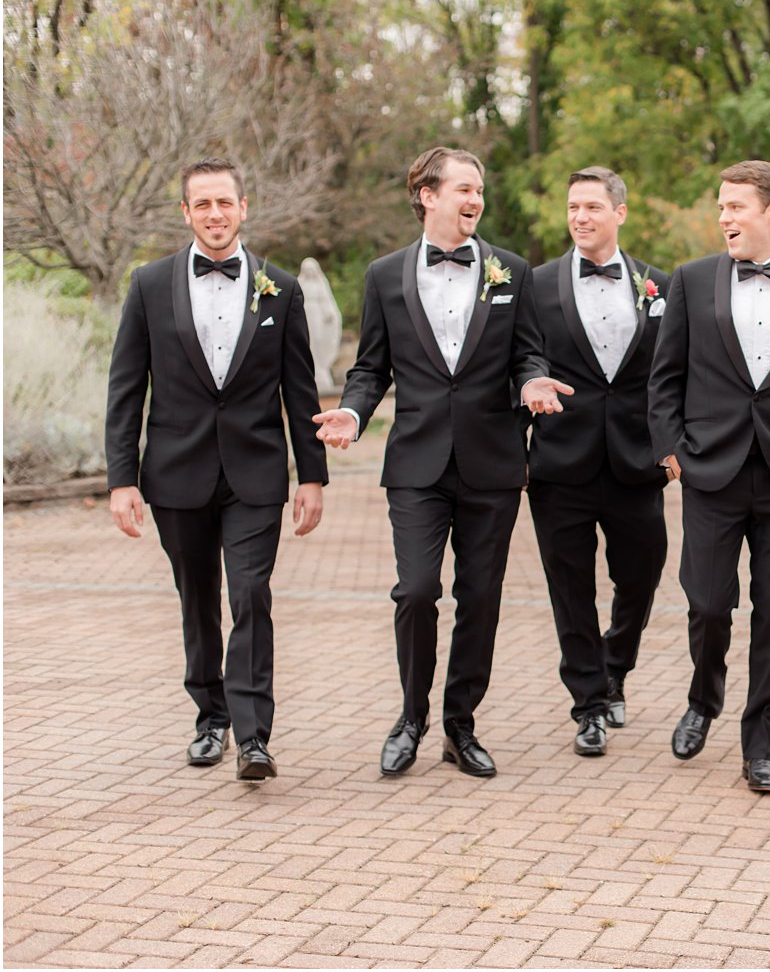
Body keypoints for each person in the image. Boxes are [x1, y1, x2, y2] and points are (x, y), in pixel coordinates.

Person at [312, 147, 572, 778]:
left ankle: (461, 725)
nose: (475, 199)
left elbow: (527, 356)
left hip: (494, 462)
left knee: (480, 597)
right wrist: (353, 410)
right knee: (417, 591)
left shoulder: (512, 271)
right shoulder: (384, 274)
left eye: (479, 189)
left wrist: (533, 384)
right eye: (463, 188)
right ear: (427, 195)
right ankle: (411, 716)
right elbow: (372, 366)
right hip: (417, 465)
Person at [106, 156, 327, 782]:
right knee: (197, 598)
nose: (214, 214)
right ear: (186, 213)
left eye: (223, 202)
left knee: (251, 594)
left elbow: (300, 392)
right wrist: (122, 479)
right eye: (201, 204)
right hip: (176, 473)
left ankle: (255, 737)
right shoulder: (149, 284)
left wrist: (311, 476)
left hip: (256, 473)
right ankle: (211, 717)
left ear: (243, 207)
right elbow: (127, 388)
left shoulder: (280, 288)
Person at [647, 160, 770, 793]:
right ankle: (704, 698)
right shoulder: (692, 281)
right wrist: (672, 453)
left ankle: (760, 746)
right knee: (708, 604)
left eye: (736, 206)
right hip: (710, 470)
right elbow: (664, 381)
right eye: (721, 207)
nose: (724, 217)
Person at [525, 167, 670, 757]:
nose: (580, 217)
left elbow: (671, 373)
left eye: (591, 206)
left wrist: (674, 446)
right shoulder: (533, 285)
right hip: (561, 461)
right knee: (571, 588)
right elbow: (523, 357)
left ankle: (615, 666)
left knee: (642, 575)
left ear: (619, 212)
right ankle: (588, 704)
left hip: (638, 462)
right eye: (572, 207)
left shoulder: (660, 286)